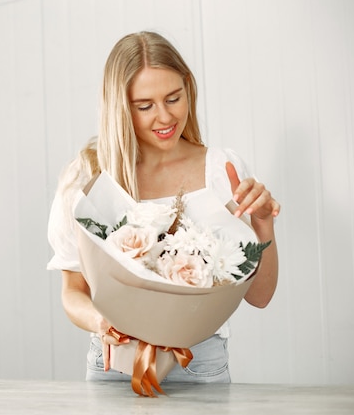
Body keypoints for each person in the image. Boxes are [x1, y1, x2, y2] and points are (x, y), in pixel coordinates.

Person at [47, 31, 280, 384]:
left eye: (174, 98)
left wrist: (263, 224)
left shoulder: (221, 169)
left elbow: (260, 297)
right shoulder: (90, 177)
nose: (164, 117)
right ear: (120, 107)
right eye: (144, 106)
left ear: (189, 89)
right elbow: (72, 292)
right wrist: (102, 323)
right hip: (115, 361)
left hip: (198, 363)